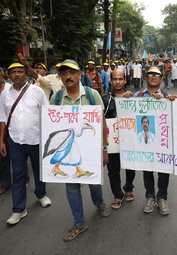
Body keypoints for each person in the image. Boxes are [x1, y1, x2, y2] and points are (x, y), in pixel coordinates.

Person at [49, 59, 110, 241]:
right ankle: (79, 223)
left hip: (91, 152)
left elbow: (102, 123)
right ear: (60, 76)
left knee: (94, 183)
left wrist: (104, 149)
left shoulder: (92, 96)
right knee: (72, 189)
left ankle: (99, 203)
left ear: (80, 74)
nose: (68, 77)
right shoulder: (56, 98)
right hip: (68, 152)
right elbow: (52, 126)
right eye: (64, 73)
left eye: (72, 73)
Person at [0, 61, 51, 225]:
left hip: (36, 138)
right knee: (18, 175)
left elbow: (47, 113)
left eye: (20, 71)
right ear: (8, 75)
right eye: (13, 72)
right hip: (15, 140)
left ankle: (41, 194)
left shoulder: (37, 91)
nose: (17, 74)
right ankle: (19, 209)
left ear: (26, 73)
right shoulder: (4, 94)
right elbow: (2, 119)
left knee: (39, 170)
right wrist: (2, 141)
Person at [132, 66, 176, 215]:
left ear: (162, 79)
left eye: (157, 75)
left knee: (164, 171)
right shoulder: (136, 96)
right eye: (150, 74)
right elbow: (129, 114)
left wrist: (168, 101)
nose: (153, 77)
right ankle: (150, 197)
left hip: (162, 143)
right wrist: (125, 98)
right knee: (147, 170)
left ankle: (162, 197)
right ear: (145, 77)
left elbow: (175, 118)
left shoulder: (168, 96)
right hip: (145, 143)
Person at [101, 69, 136, 209]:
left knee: (130, 167)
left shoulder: (131, 98)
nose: (117, 82)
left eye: (120, 79)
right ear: (110, 80)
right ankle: (117, 194)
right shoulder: (105, 99)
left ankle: (128, 188)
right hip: (112, 143)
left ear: (125, 80)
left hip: (129, 140)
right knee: (113, 169)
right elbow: (100, 120)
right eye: (115, 79)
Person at [0, 69, 11, 195]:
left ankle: (24, 179)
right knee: (2, 155)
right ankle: (5, 183)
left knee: (17, 155)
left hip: (12, 126)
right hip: (1, 125)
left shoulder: (9, 88)